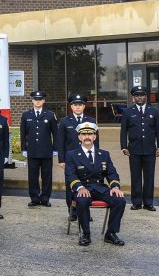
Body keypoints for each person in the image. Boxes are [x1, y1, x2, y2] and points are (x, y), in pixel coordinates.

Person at [66, 122, 126, 246]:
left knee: (120, 200)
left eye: (90, 134)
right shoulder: (71, 155)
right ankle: (86, 234)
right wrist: (80, 187)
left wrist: (115, 186)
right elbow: (70, 175)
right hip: (82, 187)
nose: (87, 137)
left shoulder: (104, 154)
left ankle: (111, 233)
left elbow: (112, 173)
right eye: (84, 134)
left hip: (100, 187)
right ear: (79, 137)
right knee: (82, 200)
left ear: (95, 137)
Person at [120, 85, 159, 211]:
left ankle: (149, 202)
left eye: (142, 95)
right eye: (137, 95)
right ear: (133, 97)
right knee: (136, 177)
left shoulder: (154, 111)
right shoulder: (128, 112)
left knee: (149, 177)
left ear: (146, 96)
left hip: (151, 150)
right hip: (134, 150)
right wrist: (124, 147)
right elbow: (123, 131)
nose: (139, 97)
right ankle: (137, 202)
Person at [56, 93, 99, 221]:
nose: (77, 107)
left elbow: (96, 141)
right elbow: (60, 142)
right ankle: (72, 212)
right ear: (71, 106)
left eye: (80, 105)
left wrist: (96, 158)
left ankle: (86, 212)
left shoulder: (91, 121)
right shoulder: (65, 121)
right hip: (71, 159)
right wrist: (61, 160)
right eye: (75, 105)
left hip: (87, 158)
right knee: (71, 185)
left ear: (84, 106)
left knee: (88, 184)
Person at [20, 91, 57, 207]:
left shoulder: (50, 115)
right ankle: (35, 198)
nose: (38, 101)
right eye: (35, 99)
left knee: (47, 176)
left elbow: (55, 134)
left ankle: (45, 198)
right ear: (32, 101)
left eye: (40, 99)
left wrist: (55, 149)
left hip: (46, 151)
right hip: (32, 151)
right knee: (33, 176)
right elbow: (23, 133)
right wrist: (24, 149)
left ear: (44, 101)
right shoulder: (26, 115)